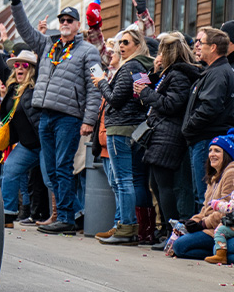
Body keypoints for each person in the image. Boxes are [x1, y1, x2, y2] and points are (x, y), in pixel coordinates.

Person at [9, 0, 102, 235]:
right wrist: (16, 3)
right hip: (46, 114)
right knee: (50, 170)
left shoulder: (89, 52)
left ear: (78, 25)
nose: (65, 23)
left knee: (62, 167)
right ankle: (63, 216)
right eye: (62, 20)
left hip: (69, 117)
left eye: (70, 20)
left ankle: (67, 218)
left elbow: (96, 86)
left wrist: (89, 120)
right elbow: (25, 30)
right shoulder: (48, 46)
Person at [133, 33, 200, 245]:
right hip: (162, 134)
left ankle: (172, 232)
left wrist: (145, 93)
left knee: (165, 186)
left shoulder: (178, 75)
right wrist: (154, 75)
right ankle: (166, 230)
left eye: (162, 51)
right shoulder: (170, 73)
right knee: (156, 184)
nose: (158, 55)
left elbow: (170, 105)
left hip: (168, 135)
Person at [91, 28, 153, 245]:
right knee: (134, 180)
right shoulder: (141, 67)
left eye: (126, 42)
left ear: (138, 44)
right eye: (120, 43)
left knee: (123, 180)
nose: (121, 46)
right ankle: (133, 227)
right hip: (133, 129)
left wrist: (101, 82)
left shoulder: (130, 67)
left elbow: (115, 99)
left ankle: (126, 226)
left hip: (120, 129)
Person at [0, 23, 42, 229]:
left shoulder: (39, 85)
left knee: (52, 179)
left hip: (44, 142)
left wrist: (39, 35)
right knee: (10, 170)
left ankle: (74, 216)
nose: (19, 68)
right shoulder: (13, 86)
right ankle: (7, 214)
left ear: (32, 68)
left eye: (24, 65)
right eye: (16, 65)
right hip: (27, 145)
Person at [182, 27, 234, 211]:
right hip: (202, 137)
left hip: (205, 138)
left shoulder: (218, 73)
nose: (197, 46)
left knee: (205, 195)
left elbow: (209, 107)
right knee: (202, 193)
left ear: (213, 47)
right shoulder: (213, 71)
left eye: (201, 42)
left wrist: (188, 127)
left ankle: (203, 228)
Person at [172, 130, 234, 264]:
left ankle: (218, 251)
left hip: (221, 228)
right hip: (210, 228)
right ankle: (217, 251)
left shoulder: (231, 173)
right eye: (210, 150)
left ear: (227, 154)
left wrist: (201, 224)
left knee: (179, 246)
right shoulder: (214, 176)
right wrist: (190, 222)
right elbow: (205, 209)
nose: (212, 154)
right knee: (176, 243)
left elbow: (227, 212)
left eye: (217, 151)